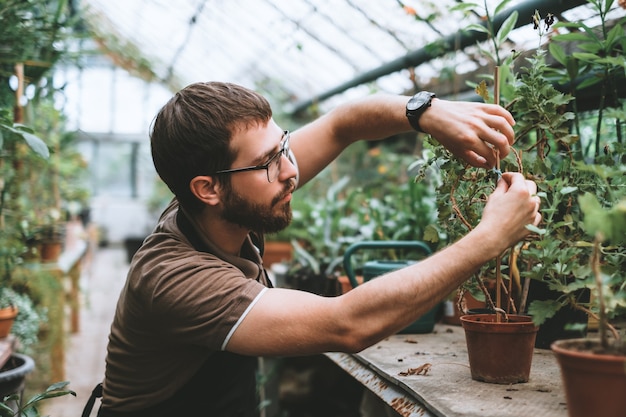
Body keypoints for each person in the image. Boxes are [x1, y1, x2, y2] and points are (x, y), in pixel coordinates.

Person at [92, 81, 541, 417]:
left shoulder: (230, 205)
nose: (290, 170)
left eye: (283, 145)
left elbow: (342, 124)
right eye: (269, 161)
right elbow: (348, 324)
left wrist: (424, 111)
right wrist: (488, 238)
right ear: (207, 188)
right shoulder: (176, 278)